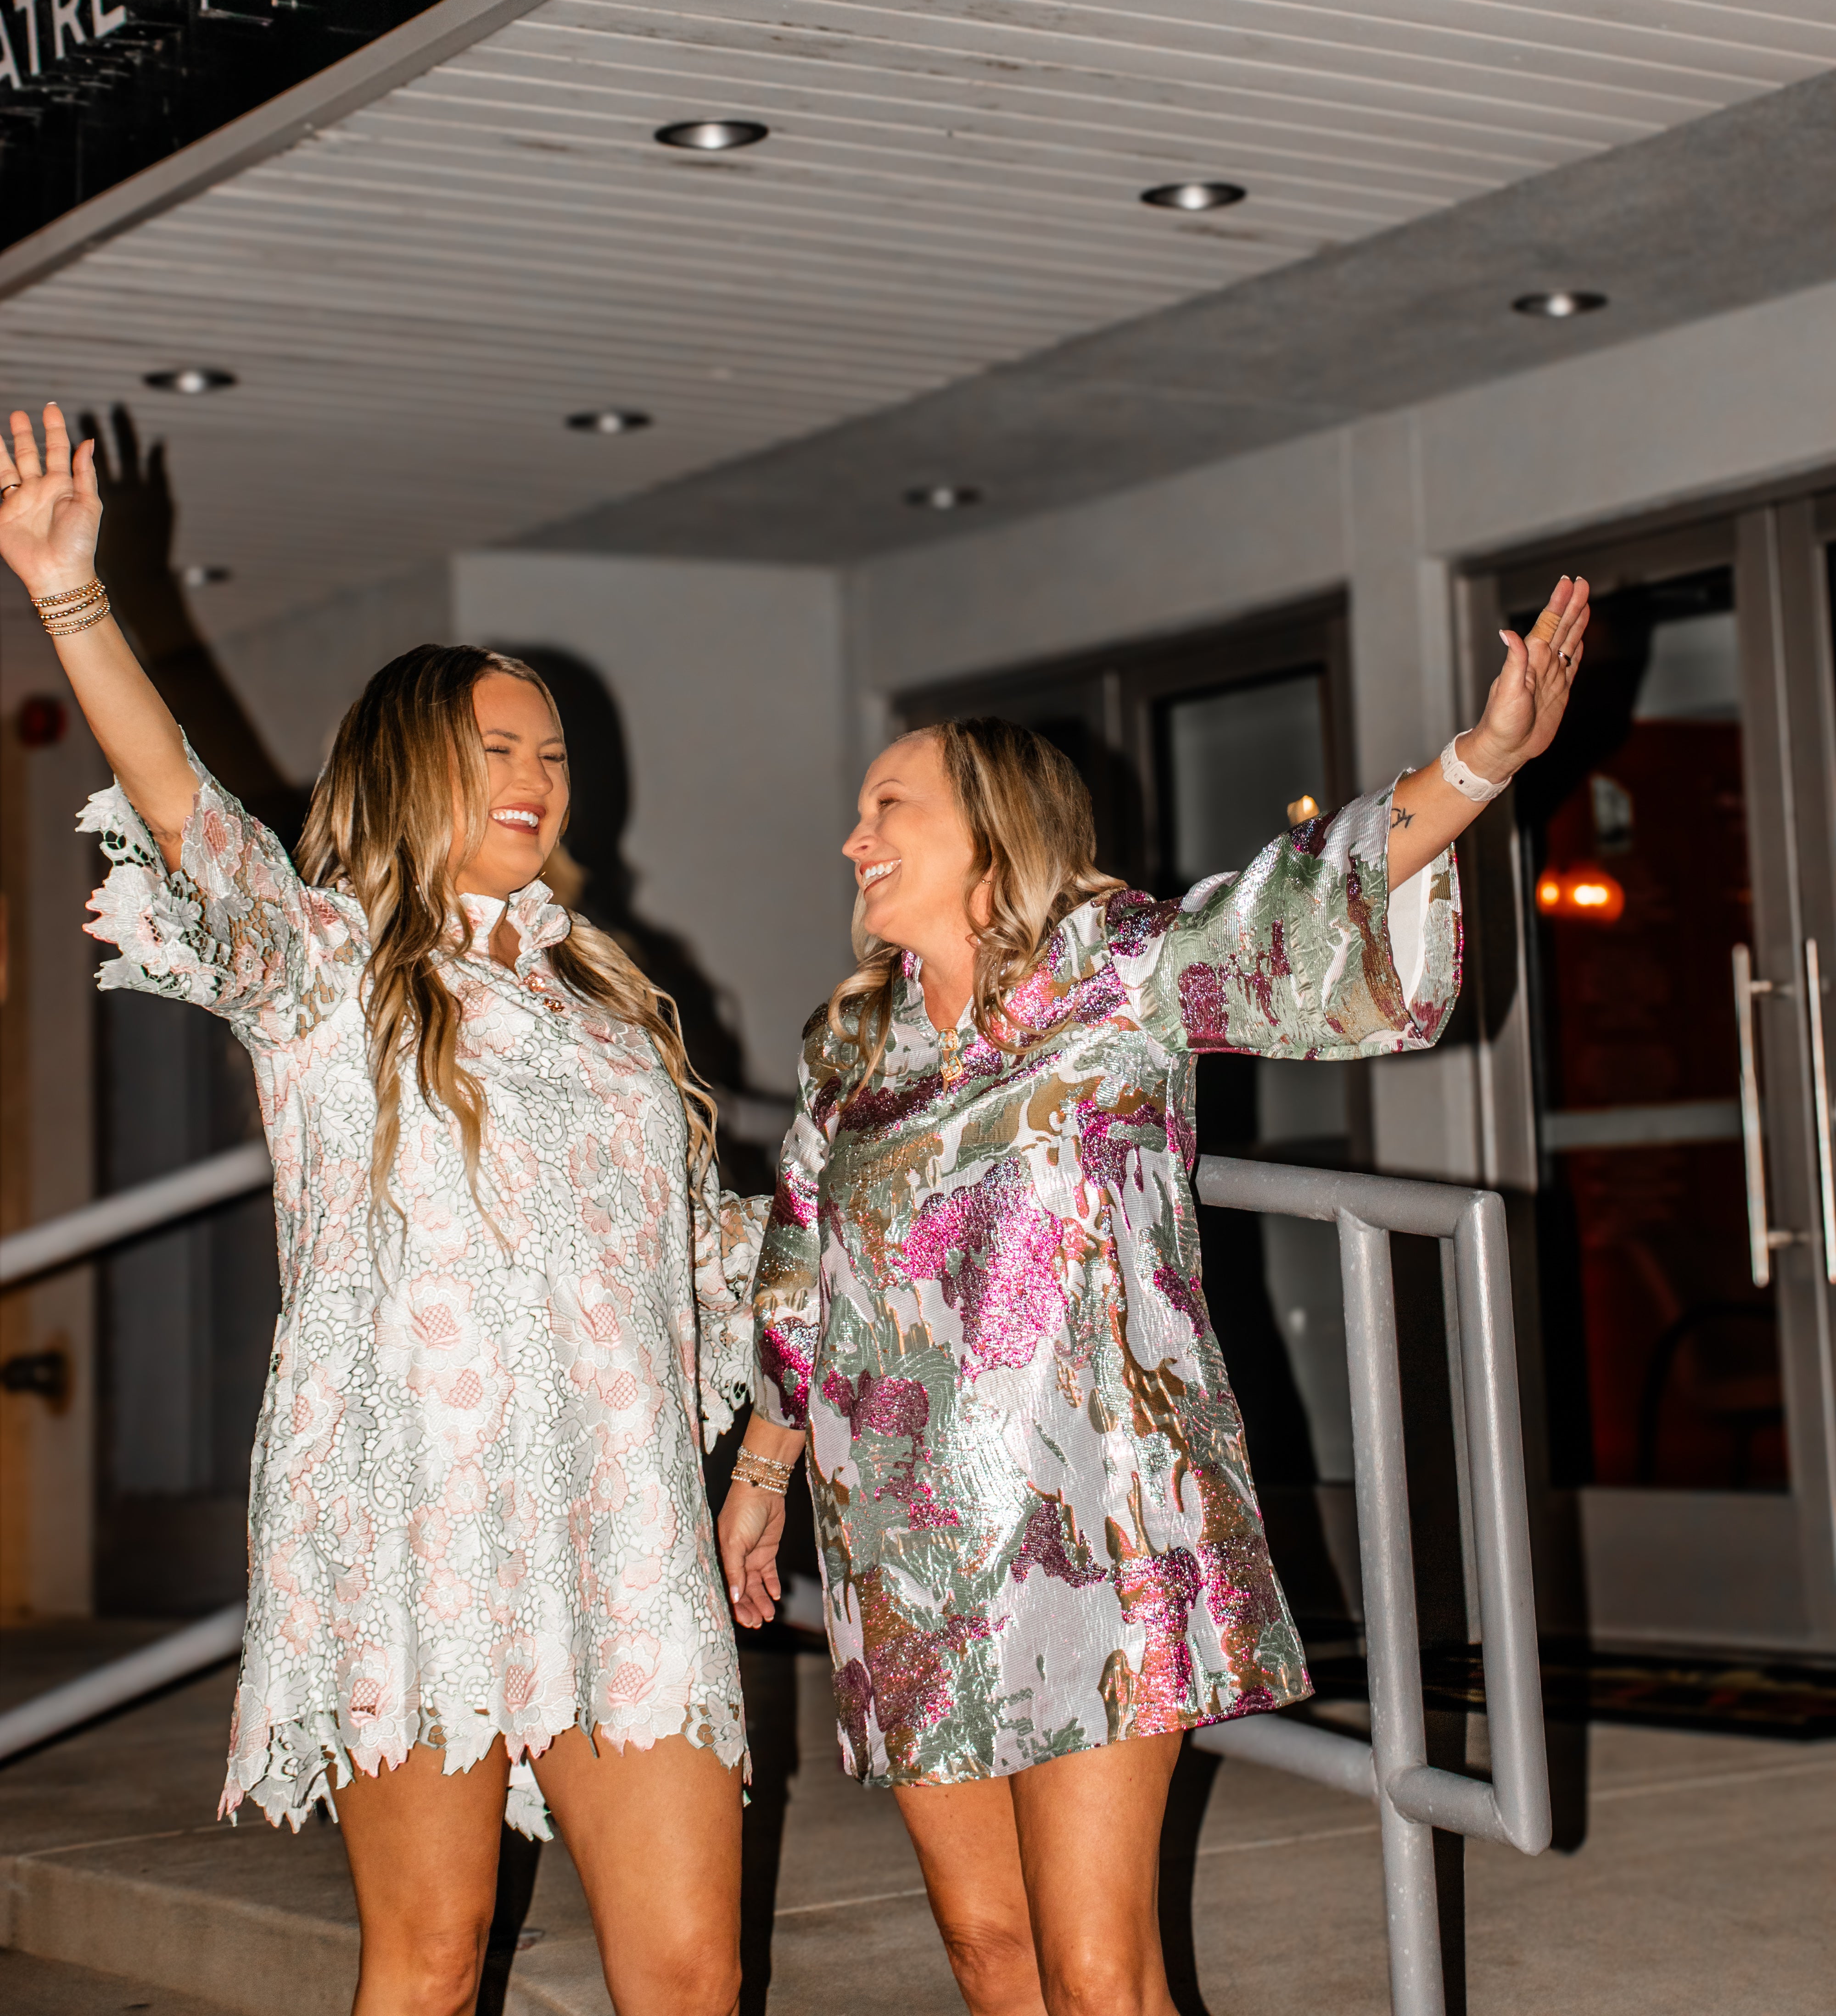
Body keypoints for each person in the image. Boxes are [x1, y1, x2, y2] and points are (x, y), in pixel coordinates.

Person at [717, 581, 1589, 2016]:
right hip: (904, 1552)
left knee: (1098, 1970)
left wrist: (1482, 760)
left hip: (1093, 1532)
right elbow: (803, 1253)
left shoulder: (1115, 968)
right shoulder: (852, 1043)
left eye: (890, 809)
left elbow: (1297, 908)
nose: (855, 840)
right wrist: (763, 1470)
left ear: (994, 832)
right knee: (989, 1952)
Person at [0, 404, 765, 2016]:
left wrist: (778, 1432)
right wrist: (72, 598)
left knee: (693, 1975)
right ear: (414, 765)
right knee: (428, 1964)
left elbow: (715, 1267)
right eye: (496, 750)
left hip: (622, 1532)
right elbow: (188, 816)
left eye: (552, 756)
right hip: (410, 1524)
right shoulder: (326, 965)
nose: (535, 781)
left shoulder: (611, 1012)